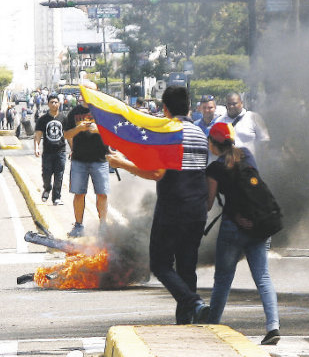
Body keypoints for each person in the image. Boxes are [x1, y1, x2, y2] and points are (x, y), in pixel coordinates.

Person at [107, 86, 210, 325]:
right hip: (197, 210)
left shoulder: (169, 133)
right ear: (189, 106)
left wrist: (122, 163)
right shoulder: (199, 133)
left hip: (173, 209)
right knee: (187, 267)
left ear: (165, 109)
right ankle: (187, 321)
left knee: (160, 264)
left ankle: (194, 303)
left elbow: (156, 173)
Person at [205, 122, 280, 345]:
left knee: (223, 280)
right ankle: (273, 326)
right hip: (258, 225)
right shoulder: (246, 154)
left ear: (214, 144)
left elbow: (208, 204)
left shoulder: (215, 169)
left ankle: (212, 325)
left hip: (233, 228)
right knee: (263, 277)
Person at [63, 87, 109, 238]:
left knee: (102, 193)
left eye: (91, 89)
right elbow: (66, 134)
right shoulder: (73, 113)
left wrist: (99, 130)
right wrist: (78, 129)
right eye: (85, 90)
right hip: (79, 160)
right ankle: (78, 225)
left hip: (100, 159)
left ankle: (103, 225)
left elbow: (113, 132)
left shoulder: (103, 110)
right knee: (79, 193)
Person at [216, 93, 270, 159]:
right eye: (229, 104)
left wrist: (262, 162)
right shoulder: (219, 121)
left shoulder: (253, 117)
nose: (231, 106)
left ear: (241, 103)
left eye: (234, 104)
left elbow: (264, 142)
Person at [34, 94, 66, 205]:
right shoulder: (42, 119)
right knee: (46, 174)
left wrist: (73, 149)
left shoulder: (63, 118)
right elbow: (38, 135)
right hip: (47, 152)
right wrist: (36, 148)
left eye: (56, 102)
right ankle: (47, 188)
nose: (54, 104)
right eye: (51, 102)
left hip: (60, 152)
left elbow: (68, 135)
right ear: (48, 104)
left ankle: (56, 197)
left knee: (59, 175)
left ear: (59, 103)